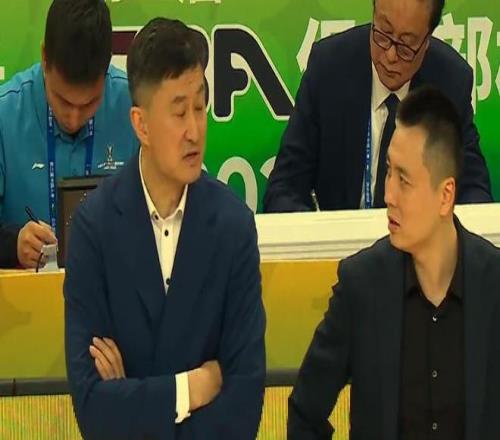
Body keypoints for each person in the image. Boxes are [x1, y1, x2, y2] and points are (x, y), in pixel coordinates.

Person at [64, 17, 265, 439]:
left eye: (200, 107)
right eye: (178, 112)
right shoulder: (93, 229)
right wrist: (190, 388)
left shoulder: (233, 228)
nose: (194, 130)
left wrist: (132, 399)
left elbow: (243, 407)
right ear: (141, 125)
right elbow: (93, 409)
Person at [287, 87, 500, 440]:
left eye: (404, 179)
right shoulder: (361, 287)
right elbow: (304, 412)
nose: (388, 195)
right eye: (388, 172)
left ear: (445, 195)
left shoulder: (493, 286)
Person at [264, 0, 491, 213]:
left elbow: (475, 193)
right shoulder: (329, 67)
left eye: (406, 45)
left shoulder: (450, 83)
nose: (390, 55)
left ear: (426, 42)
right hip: (342, 239)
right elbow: (284, 187)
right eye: (383, 33)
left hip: (417, 241)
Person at [0, 0, 138, 268]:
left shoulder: (136, 109)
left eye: (90, 104)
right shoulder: (5, 115)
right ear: (44, 57)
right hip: (29, 293)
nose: (74, 119)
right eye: (62, 101)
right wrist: (12, 244)